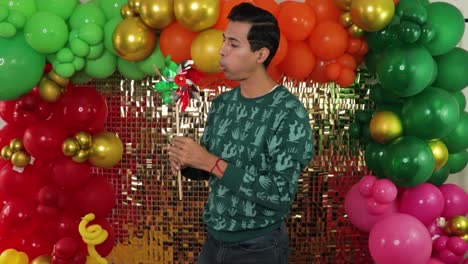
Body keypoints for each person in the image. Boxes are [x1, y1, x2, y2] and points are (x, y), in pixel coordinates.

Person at [167, 3, 314, 263]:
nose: (221, 50)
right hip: (214, 241)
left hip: (258, 247)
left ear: (260, 55)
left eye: (234, 44)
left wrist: (208, 161)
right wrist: (187, 161)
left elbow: (279, 195)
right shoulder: (223, 103)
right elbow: (209, 168)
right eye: (224, 41)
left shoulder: (288, 113)